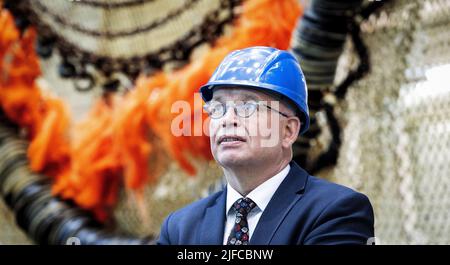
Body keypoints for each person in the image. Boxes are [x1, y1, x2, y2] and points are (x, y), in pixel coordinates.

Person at [157, 46, 374, 245]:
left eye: (247, 106)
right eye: (217, 108)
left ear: (288, 131)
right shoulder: (178, 229)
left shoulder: (336, 211)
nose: (227, 119)